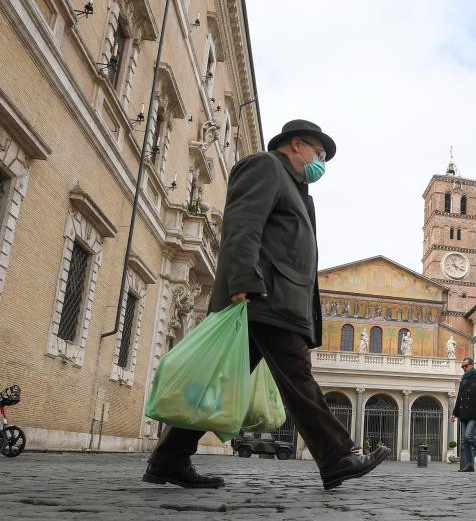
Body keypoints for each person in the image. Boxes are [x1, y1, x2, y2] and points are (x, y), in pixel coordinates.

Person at [143, 120, 390, 490]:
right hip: (264, 298)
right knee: (298, 377)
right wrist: (243, 280)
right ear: (295, 144)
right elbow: (242, 224)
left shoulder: (298, 191)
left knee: (215, 383)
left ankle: (168, 459)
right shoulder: (265, 166)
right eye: (319, 153)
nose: (321, 163)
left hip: (278, 301)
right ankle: (337, 456)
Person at [451, 357, 476, 472]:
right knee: (466, 440)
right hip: (463, 414)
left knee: (468, 435)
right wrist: (454, 413)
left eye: (465, 366)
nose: (464, 368)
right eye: (462, 366)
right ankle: (469, 465)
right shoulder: (463, 380)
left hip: (474, 413)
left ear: (471, 365)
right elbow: (459, 398)